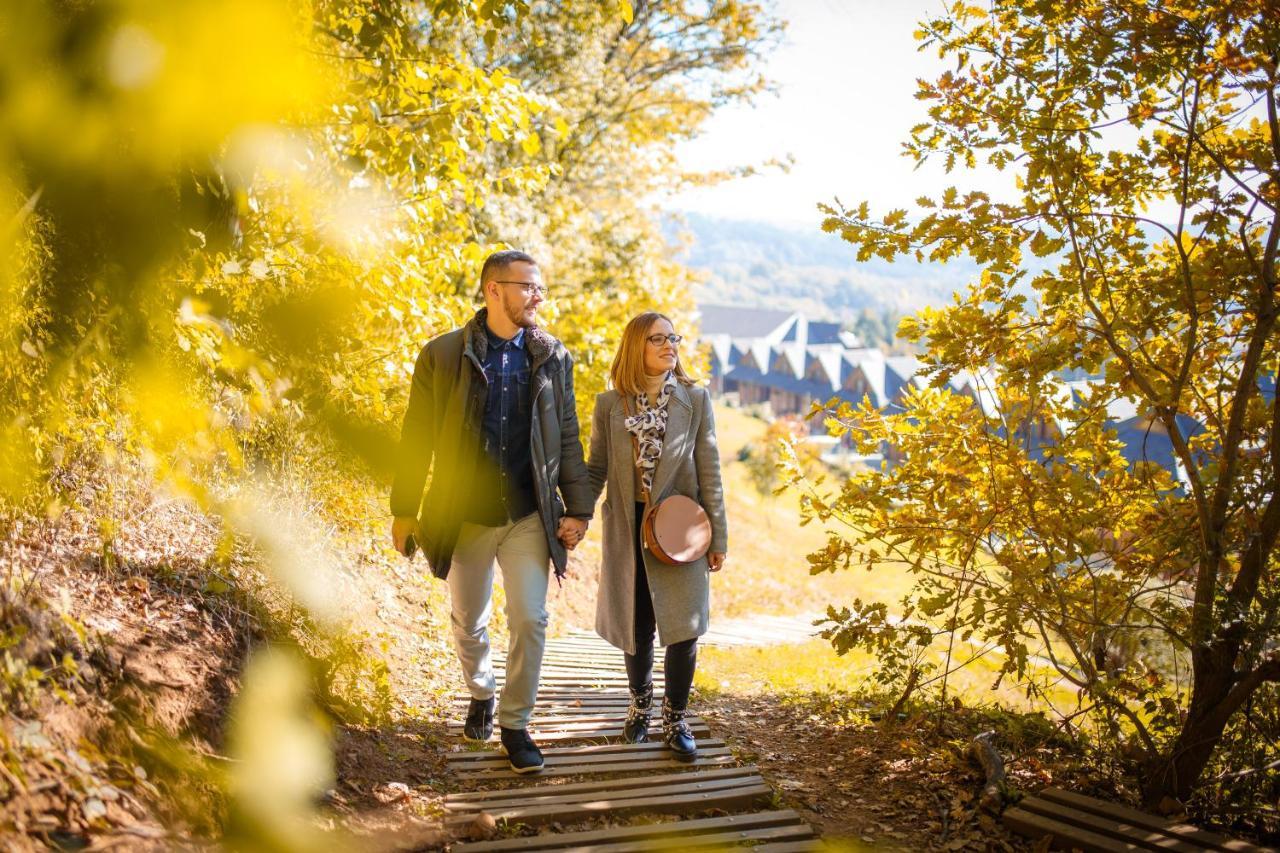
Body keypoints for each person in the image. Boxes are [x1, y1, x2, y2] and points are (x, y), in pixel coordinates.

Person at [390, 250, 592, 774]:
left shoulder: (552, 358)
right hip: (465, 514)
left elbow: (566, 436)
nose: (537, 297)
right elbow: (416, 437)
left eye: (539, 288)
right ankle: (481, 692)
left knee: (531, 618)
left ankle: (515, 725)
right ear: (493, 290)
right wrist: (405, 508)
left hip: (529, 515)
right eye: (527, 286)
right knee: (468, 619)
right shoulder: (442, 354)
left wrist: (579, 509)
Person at [579, 311, 727, 761]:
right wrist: (576, 515)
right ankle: (640, 706)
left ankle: (676, 718)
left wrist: (718, 537)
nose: (669, 345)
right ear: (635, 348)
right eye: (657, 339)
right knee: (637, 624)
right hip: (629, 529)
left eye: (673, 337)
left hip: (682, 529)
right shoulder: (610, 405)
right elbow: (596, 469)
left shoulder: (694, 399)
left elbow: (710, 472)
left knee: (684, 628)